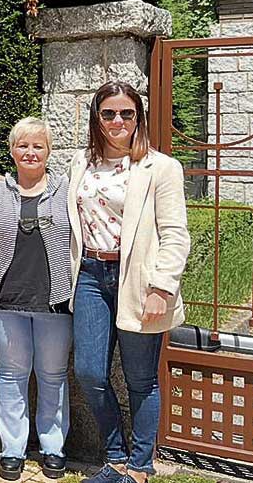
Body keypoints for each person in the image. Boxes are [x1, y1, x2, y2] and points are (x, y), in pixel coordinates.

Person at [70, 81, 189, 483]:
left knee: (140, 379)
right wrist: (0, 183)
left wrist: (162, 286)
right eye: (108, 113)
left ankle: (138, 468)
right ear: (96, 118)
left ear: (138, 118)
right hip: (89, 275)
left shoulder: (161, 167)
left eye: (126, 113)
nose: (117, 120)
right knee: (88, 372)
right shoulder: (81, 163)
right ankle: (116, 456)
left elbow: (175, 233)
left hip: (138, 279)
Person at [0, 118, 73, 480]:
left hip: (55, 301)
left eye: (38, 146)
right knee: (11, 376)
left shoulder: (66, 190)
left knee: (53, 375)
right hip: (5, 301)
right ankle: (12, 448)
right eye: (23, 146)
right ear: (12, 150)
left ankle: (52, 446)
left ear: (48, 151)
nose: (30, 152)